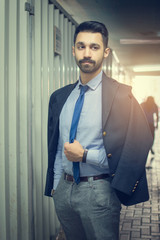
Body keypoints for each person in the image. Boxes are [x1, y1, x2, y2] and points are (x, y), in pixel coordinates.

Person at [45, 21, 153, 240]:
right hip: (65, 191)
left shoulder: (122, 96)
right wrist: (57, 186)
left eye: (94, 47)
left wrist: (84, 155)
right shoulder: (60, 97)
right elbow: (56, 145)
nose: (86, 53)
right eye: (81, 46)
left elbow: (133, 151)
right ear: (73, 50)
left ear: (105, 52)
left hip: (100, 191)